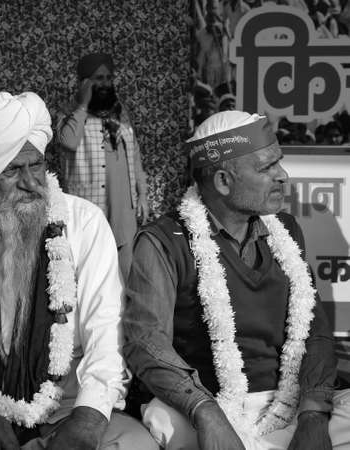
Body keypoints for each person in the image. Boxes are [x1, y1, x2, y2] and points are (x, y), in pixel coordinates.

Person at [0, 92, 158, 450]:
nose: (32, 183)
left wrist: (88, 418)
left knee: (134, 446)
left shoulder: (83, 223)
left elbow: (106, 333)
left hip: (66, 405)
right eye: (12, 170)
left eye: (36, 165)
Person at [123, 110, 350, 449]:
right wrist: (205, 412)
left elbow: (315, 331)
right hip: (202, 404)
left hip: (287, 402)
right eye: (267, 168)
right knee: (167, 424)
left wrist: (313, 415)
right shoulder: (164, 241)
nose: (283, 176)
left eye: (279, 163)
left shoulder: (286, 230)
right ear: (223, 182)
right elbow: (146, 343)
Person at [55, 52, 149, 280]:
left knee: (124, 274)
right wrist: (83, 105)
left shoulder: (120, 112)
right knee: (91, 275)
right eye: (98, 78)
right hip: (89, 207)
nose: (105, 83)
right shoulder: (67, 112)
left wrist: (142, 194)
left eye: (108, 77)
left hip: (123, 212)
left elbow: (134, 153)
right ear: (83, 82)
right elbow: (69, 141)